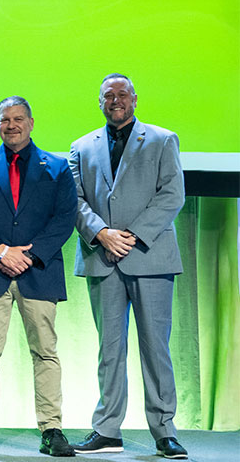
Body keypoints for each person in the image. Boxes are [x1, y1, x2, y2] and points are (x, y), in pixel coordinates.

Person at [68, 74, 188, 459]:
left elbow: (172, 194)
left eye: (122, 94)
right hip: (102, 257)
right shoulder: (82, 146)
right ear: (99, 101)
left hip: (150, 257)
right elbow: (75, 200)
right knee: (109, 349)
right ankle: (106, 430)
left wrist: (130, 235)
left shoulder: (162, 139)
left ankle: (164, 431)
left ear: (135, 98)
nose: (115, 100)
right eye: (108, 95)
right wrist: (102, 233)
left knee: (156, 349)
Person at [0, 96, 77, 458]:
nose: (12, 125)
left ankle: (51, 429)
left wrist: (28, 254)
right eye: (5, 119)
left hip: (37, 271)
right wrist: (0, 250)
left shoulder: (56, 166)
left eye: (18, 118)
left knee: (46, 352)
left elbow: (65, 217)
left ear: (31, 122)